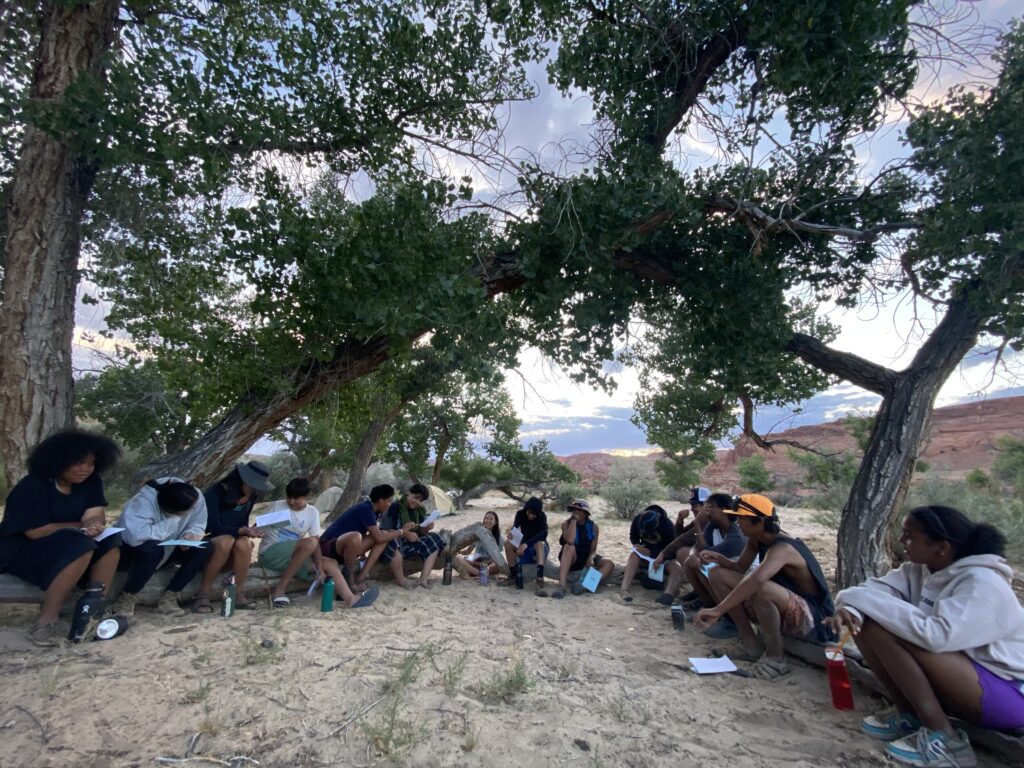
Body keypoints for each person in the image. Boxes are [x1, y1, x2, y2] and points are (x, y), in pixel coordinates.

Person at [827, 506, 1024, 768]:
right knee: (866, 623)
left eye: (909, 536)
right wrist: (854, 608)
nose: (901, 541)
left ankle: (948, 741)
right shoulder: (920, 570)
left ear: (941, 547)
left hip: (1008, 694)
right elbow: (873, 591)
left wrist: (863, 601)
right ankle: (910, 715)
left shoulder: (982, 584)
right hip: (970, 679)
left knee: (892, 628)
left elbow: (937, 637)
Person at [693, 493, 835, 680]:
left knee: (760, 588)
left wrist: (718, 610)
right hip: (786, 606)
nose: (737, 523)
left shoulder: (784, 548)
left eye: (742, 519)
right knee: (717, 574)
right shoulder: (756, 539)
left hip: (816, 619)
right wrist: (720, 559)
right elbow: (739, 567)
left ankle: (776, 658)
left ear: (759, 521)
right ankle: (751, 644)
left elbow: (756, 580)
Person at [0, 430, 123, 646]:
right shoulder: (32, 486)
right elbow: (36, 532)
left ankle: (92, 611)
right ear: (58, 460)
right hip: (21, 550)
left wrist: (93, 525)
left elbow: (95, 514)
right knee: (80, 545)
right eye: (79, 462)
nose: (86, 469)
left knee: (111, 542)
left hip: (71, 544)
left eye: (91, 463)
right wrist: (80, 527)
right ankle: (46, 621)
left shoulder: (91, 482)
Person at [257, 477, 378, 609]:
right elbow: (257, 528)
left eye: (296, 498)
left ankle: (350, 599)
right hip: (270, 553)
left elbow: (316, 542)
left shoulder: (312, 513)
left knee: (330, 562)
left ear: (307, 497)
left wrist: (320, 569)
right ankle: (280, 590)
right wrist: (257, 529)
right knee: (310, 543)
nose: (291, 501)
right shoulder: (277, 506)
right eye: (289, 497)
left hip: (295, 556)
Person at [111, 478, 209, 617]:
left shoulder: (193, 497)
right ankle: (128, 596)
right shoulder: (143, 502)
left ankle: (171, 595)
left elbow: (198, 523)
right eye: (184, 512)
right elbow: (135, 536)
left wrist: (189, 535)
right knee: (152, 549)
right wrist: (173, 521)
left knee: (204, 546)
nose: (190, 511)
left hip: (170, 547)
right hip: (134, 551)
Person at [190, 460, 273, 613]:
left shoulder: (251, 497)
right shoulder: (217, 491)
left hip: (231, 549)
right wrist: (241, 530)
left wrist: (250, 530)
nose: (253, 490)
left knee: (245, 543)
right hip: (210, 545)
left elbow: (242, 524)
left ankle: (237, 593)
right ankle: (203, 593)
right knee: (226, 541)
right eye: (251, 485)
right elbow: (212, 527)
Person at [652, 491, 746, 608]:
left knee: (703, 566)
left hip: (737, 577)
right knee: (692, 561)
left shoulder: (735, 538)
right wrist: (693, 554)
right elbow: (692, 543)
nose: (707, 510)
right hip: (720, 568)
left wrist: (697, 523)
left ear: (723, 510)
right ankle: (706, 600)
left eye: (711, 506)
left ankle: (719, 607)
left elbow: (705, 552)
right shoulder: (713, 525)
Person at [320, 484, 409, 591]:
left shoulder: (375, 511)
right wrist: (402, 531)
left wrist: (362, 554)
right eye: (389, 501)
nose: (390, 504)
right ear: (381, 500)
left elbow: (374, 534)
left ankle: (361, 578)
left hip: (344, 548)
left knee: (384, 534)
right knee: (360, 537)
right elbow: (378, 537)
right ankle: (350, 580)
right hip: (329, 547)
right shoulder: (365, 509)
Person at [379, 483, 446, 589]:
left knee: (435, 538)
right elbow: (385, 531)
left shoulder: (419, 510)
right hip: (395, 545)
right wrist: (405, 533)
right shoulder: (394, 507)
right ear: (408, 493)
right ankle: (401, 580)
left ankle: (423, 579)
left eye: (420, 500)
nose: (417, 502)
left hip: (411, 544)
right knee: (392, 541)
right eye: (415, 497)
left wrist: (427, 527)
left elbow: (422, 532)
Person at [552, 499, 614, 598]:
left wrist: (591, 558)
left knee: (609, 563)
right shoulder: (566, 524)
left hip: (585, 557)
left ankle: (585, 586)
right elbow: (570, 541)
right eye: (574, 510)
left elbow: (593, 549)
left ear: (586, 513)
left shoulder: (593, 527)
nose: (576, 512)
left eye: (579, 510)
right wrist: (573, 521)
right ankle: (561, 586)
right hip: (571, 558)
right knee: (569, 547)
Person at [619, 504, 676, 603]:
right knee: (633, 556)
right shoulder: (637, 519)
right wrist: (636, 544)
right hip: (645, 558)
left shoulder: (668, 525)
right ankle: (624, 589)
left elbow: (672, 551)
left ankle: (667, 594)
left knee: (677, 568)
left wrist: (651, 553)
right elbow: (633, 536)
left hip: (663, 559)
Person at [503, 496, 549, 596]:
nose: (531, 516)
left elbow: (544, 534)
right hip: (525, 545)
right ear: (526, 509)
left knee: (539, 543)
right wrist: (511, 534)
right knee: (507, 544)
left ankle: (540, 579)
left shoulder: (542, 516)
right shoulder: (520, 513)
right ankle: (513, 574)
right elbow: (515, 527)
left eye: (534, 514)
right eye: (529, 512)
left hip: (538, 548)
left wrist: (526, 544)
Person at [453, 511, 503, 580]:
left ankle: (478, 573)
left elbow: (496, 558)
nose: (488, 520)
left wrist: (477, 564)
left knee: (497, 565)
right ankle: (480, 573)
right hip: (476, 561)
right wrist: (459, 552)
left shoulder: (499, 538)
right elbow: (468, 551)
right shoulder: (477, 534)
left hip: (488, 564)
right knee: (458, 558)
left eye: (491, 519)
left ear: (495, 522)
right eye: (486, 518)